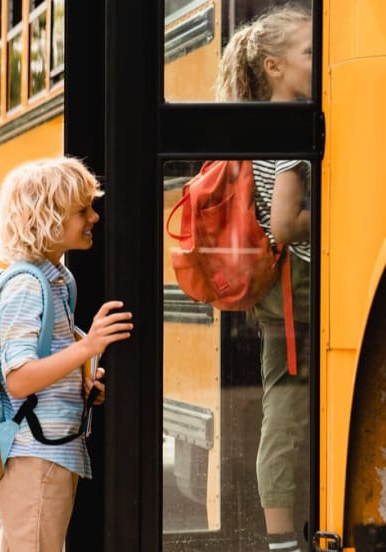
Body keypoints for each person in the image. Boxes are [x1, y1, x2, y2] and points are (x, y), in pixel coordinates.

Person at [0, 157, 133, 552]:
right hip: (35, 455)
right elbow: (18, 378)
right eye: (82, 210)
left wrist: (80, 383)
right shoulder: (26, 287)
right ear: (46, 219)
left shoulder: (56, 280)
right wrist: (88, 347)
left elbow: (47, 362)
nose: (94, 218)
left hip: (52, 452)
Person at [215, 5, 313, 551]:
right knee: (286, 410)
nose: (317, 62)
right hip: (296, 290)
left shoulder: (269, 122)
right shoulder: (289, 131)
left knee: (286, 406)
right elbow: (282, 225)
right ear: (274, 67)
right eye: (308, 53)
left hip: (281, 292)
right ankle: (281, 539)